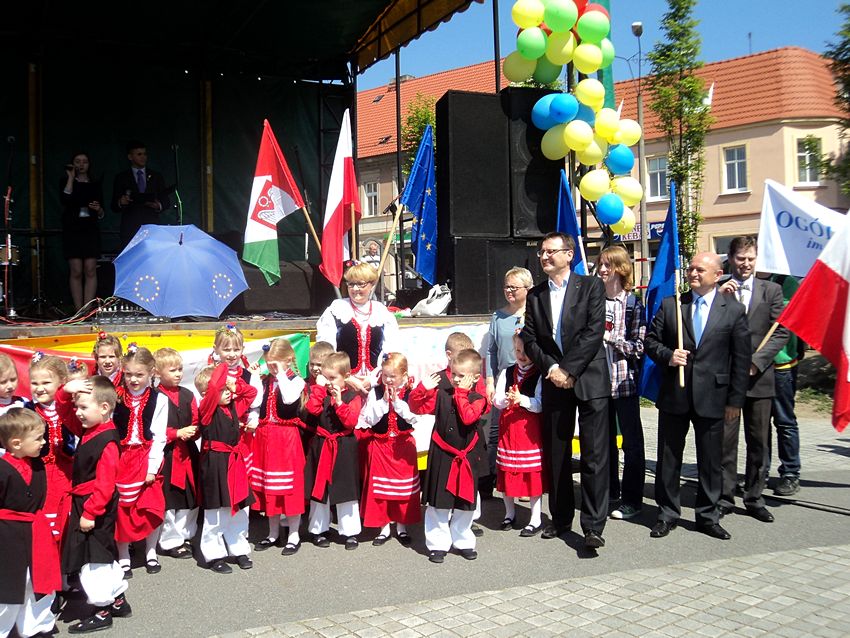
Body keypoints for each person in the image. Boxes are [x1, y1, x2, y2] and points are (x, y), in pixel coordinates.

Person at [644, 252, 751, 541]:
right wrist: (668, 355)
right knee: (668, 459)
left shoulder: (733, 310)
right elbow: (650, 342)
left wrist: (735, 401)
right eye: (691, 268)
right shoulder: (673, 305)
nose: (693, 273)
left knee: (711, 460)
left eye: (700, 269)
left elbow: (741, 360)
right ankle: (666, 514)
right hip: (675, 395)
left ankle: (707, 516)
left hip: (714, 397)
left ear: (717, 275)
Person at [520, 231, 611, 549]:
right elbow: (530, 339)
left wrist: (568, 369)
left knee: (594, 455)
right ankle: (560, 519)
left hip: (589, 378)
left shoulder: (590, 286)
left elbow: (593, 331)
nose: (544, 257)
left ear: (569, 254)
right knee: (557, 453)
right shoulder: (535, 295)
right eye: (542, 252)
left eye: (551, 251)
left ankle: (593, 525)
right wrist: (552, 369)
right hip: (554, 380)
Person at [717, 236, 788, 522]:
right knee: (725, 440)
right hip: (726, 380)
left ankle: (755, 496)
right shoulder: (720, 289)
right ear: (730, 259)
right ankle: (724, 495)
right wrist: (720, 298)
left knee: (759, 440)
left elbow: (781, 331)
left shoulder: (771, 291)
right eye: (740, 258)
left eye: (750, 258)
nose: (745, 264)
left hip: (758, 381)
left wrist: (756, 364)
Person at [61, 376, 132, 634]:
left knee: (93, 561)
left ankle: (102, 610)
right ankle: (118, 599)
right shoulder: (90, 428)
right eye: (77, 406)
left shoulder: (107, 441)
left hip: (94, 504)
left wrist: (90, 512)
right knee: (102, 554)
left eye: (83, 407)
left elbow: (105, 483)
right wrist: (65, 392)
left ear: (103, 408)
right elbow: (64, 413)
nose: (77, 412)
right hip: (88, 502)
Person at [409, 348, 488, 563]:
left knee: (464, 503)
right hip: (442, 454)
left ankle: (463, 540)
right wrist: (422, 389)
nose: (455, 379)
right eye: (453, 374)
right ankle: (437, 544)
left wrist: (461, 394)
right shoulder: (442, 394)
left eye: (461, 376)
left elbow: (468, 417)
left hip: (466, 456)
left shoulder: (478, 398)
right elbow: (416, 407)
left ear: (475, 378)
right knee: (438, 502)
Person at [0, 409, 61, 638]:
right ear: (16, 443)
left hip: (35, 532)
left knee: (35, 585)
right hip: (7, 537)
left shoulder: (37, 466)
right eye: (38, 438)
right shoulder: (2, 470)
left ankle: (36, 628)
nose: (44, 442)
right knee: (7, 590)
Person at [597, 246, 647, 521]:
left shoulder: (632, 304)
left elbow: (639, 346)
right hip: (598, 386)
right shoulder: (594, 300)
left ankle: (632, 499)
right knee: (603, 445)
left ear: (621, 269)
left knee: (631, 444)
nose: (603, 270)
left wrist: (611, 341)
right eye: (600, 265)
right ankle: (608, 492)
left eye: (608, 265)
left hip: (624, 384)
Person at [195, 364, 258, 574]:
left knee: (239, 507)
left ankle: (238, 548)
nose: (228, 393)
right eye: (223, 390)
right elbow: (214, 389)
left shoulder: (232, 407)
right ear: (209, 393)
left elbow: (251, 393)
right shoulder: (206, 410)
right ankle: (214, 555)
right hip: (215, 463)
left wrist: (235, 385)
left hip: (234, 460)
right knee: (216, 511)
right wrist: (222, 366)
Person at [112, 345, 168, 578]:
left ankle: (150, 551)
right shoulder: (115, 396)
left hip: (145, 457)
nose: (133, 379)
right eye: (128, 374)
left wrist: (152, 467)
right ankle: (124, 554)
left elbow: (159, 436)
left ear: (151, 373)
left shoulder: (159, 399)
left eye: (139, 374)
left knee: (150, 506)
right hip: (121, 458)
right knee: (122, 509)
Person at [250, 338, 307, 556]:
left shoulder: (295, 381)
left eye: (276, 363)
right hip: (265, 438)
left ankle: (294, 534)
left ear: (289, 359)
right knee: (269, 488)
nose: (272, 368)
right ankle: (272, 533)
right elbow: (254, 404)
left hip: (286, 439)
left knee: (289, 488)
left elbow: (290, 397)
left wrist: (282, 372)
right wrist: (254, 377)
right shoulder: (265, 381)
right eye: (270, 363)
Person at [358, 352, 421, 547]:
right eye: (385, 375)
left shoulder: (411, 392)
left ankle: (401, 527)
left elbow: (415, 418)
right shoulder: (375, 392)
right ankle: (383, 527)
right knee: (381, 490)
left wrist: (398, 404)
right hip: (381, 445)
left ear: (403, 375)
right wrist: (384, 403)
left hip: (403, 446)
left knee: (403, 491)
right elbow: (368, 419)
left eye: (392, 376)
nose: (388, 380)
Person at [303, 352, 363, 550]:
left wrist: (339, 403)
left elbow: (351, 422)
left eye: (333, 378)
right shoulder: (321, 392)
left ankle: (350, 532)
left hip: (344, 446)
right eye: (326, 377)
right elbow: (312, 410)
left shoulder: (352, 396)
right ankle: (318, 529)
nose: (329, 382)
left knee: (346, 490)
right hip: (322, 444)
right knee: (320, 489)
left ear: (345, 376)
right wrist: (319, 388)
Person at [315, 261, 400, 393]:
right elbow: (326, 350)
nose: (355, 289)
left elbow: (392, 350)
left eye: (360, 284)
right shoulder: (336, 309)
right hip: (343, 384)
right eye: (351, 284)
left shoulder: (381, 312)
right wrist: (346, 378)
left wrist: (373, 379)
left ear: (371, 285)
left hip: (376, 382)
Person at [484, 267, 532, 496]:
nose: (509, 291)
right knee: (496, 432)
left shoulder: (535, 314)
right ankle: (495, 481)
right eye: (507, 287)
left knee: (525, 434)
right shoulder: (498, 316)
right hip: (504, 379)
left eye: (514, 287)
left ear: (527, 288)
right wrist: (491, 381)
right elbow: (491, 351)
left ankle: (526, 483)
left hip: (530, 379)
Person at [492, 335, 545, 537]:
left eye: (525, 351)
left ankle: (535, 518)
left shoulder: (539, 373)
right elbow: (497, 399)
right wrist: (506, 399)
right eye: (517, 351)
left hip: (527, 430)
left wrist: (521, 399)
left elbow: (539, 404)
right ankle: (509, 513)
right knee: (507, 471)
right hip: (508, 429)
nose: (521, 356)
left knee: (531, 475)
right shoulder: (507, 372)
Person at [152, 348, 199, 561]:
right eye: (172, 370)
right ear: (158, 372)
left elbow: (196, 420)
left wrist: (194, 431)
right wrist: (176, 433)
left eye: (180, 369)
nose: (178, 374)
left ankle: (186, 535)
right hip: (168, 454)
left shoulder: (188, 395)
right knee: (170, 500)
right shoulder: (154, 397)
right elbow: (153, 429)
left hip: (188, 453)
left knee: (190, 497)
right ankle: (170, 540)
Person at [27, 353, 76, 545]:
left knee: (67, 516)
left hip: (68, 472)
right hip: (40, 474)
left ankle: (67, 566)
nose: (39, 389)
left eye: (46, 382)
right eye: (34, 383)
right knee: (45, 522)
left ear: (62, 382)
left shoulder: (72, 407)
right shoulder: (28, 410)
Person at [769, 274, 805, 496]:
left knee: (784, 421)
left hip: (781, 364)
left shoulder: (787, 283)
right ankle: (758, 473)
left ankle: (790, 472)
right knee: (758, 426)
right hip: (751, 367)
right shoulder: (740, 283)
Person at [61, 152, 103, 310]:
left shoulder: (95, 183)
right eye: (77, 161)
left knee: (90, 268)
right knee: (76, 269)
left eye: (84, 161)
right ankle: (78, 310)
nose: (81, 165)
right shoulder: (65, 182)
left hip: (90, 229)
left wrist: (98, 209)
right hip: (73, 229)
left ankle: (87, 308)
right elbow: (65, 199)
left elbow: (102, 210)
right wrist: (71, 177)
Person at [110, 140, 171, 250]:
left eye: (145, 154)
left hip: (151, 226)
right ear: (130, 157)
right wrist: (121, 202)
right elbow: (114, 205)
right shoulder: (121, 177)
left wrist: (158, 205)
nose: (143, 157)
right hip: (130, 227)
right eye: (139, 154)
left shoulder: (156, 176)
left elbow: (166, 200)